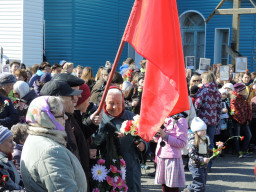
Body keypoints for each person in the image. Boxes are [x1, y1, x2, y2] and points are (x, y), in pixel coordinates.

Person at [20, 96, 87, 191]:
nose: (66, 117)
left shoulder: (34, 137)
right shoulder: (51, 152)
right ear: (47, 119)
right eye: (62, 115)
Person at [92, 87, 147, 192]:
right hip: (106, 170)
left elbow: (145, 137)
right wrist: (106, 134)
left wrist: (143, 145)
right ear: (104, 102)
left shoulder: (133, 117)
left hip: (130, 169)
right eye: (111, 103)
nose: (115, 107)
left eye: (118, 103)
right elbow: (92, 143)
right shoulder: (98, 119)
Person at [194, 72, 222, 171]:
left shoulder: (203, 91)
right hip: (213, 120)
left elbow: (197, 104)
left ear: (205, 79)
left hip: (203, 120)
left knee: (201, 142)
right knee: (210, 142)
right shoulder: (218, 92)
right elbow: (220, 108)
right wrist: (217, 118)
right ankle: (209, 164)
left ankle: (202, 163)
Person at [155, 113, 188, 192]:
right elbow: (159, 138)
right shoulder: (164, 117)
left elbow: (182, 143)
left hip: (172, 157)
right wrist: (157, 134)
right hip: (161, 155)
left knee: (173, 187)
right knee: (164, 185)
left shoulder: (181, 120)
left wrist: (165, 136)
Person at [185, 117, 210, 192]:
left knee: (201, 181)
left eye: (205, 130)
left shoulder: (204, 138)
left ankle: (188, 189)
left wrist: (215, 151)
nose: (204, 132)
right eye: (202, 130)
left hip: (203, 165)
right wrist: (202, 159)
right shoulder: (193, 141)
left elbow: (206, 151)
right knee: (200, 184)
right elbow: (191, 154)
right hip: (195, 165)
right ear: (196, 131)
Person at [230, 83, 252, 158]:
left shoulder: (244, 97)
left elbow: (248, 108)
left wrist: (248, 118)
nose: (245, 91)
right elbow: (234, 111)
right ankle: (238, 152)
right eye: (244, 89)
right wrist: (241, 120)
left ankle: (244, 151)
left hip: (244, 120)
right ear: (240, 90)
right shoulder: (234, 98)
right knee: (237, 137)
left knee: (249, 135)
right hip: (237, 121)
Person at [0, 126, 24, 190]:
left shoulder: (7, 157)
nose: (14, 144)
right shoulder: (1, 164)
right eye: (10, 141)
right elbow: (9, 187)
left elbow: (17, 179)